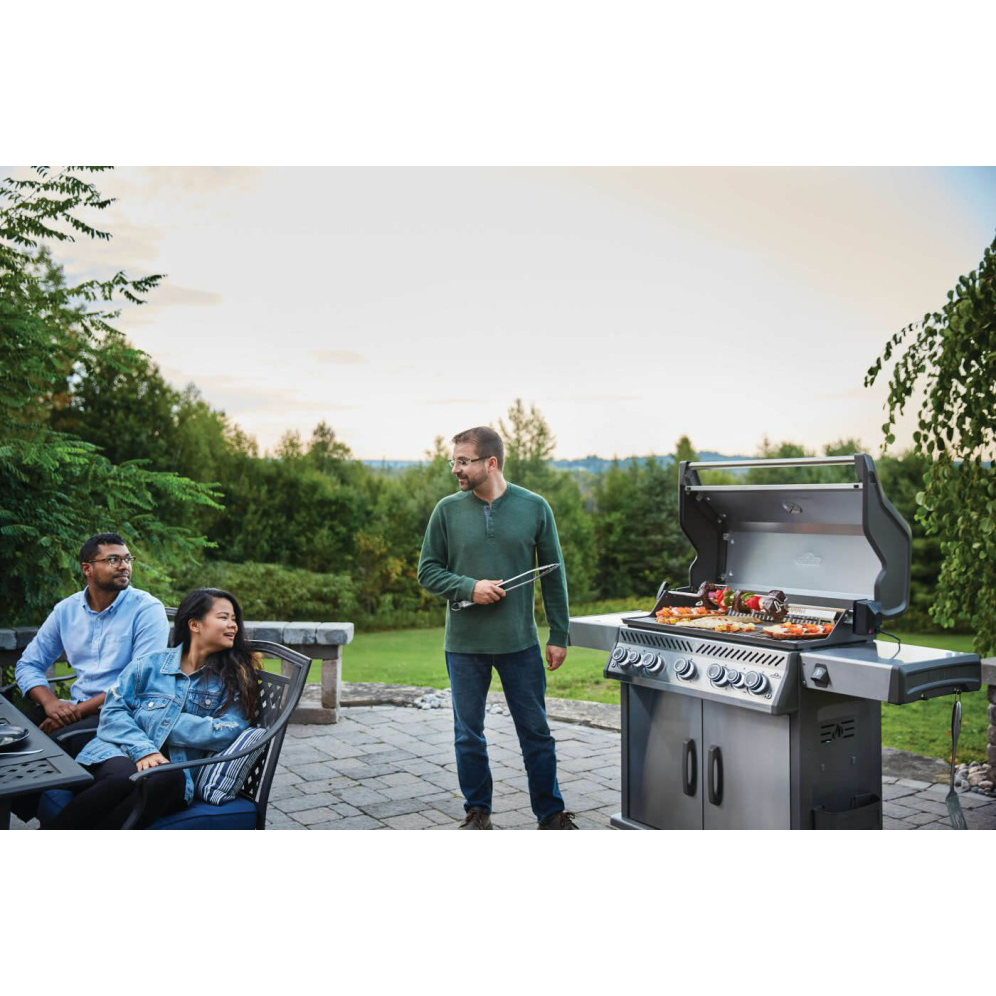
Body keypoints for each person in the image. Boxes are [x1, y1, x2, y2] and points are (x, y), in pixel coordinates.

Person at [418, 426, 577, 829]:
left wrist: (559, 634)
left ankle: (551, 814)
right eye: (453, 460)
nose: (455, 469)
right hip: (464, 645)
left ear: (490, 463)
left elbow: (554, 574)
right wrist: (469, 587)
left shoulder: (535, 507)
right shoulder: (446, 511)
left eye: (463, 461)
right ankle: (478, 812)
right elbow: (428, 571)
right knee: (467, 734)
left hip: (519, 643)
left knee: (536, 732)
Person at [41, 587, 259, 830]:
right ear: (194, 624)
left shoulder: (234, 679)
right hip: (119, 750)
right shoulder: (149, 664)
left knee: (167, 778)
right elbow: (113, 711)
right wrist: (144, 750)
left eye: (234, 619)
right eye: (223, 617)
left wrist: (149, 718)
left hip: (175, 769)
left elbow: (227, 730)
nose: (233, 625)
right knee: (123, 777)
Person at [15, 532, 169, 753]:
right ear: (87, 569)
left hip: (121, 713)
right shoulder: (66, 610)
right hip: (75, 705)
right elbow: (29, 664)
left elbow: (139, 682)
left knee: (51, 746)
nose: (124, 566)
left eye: (127, 559)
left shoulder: (147, 609)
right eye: (113, 560)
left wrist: (75, 713)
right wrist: (50, 703)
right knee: (14, 733)